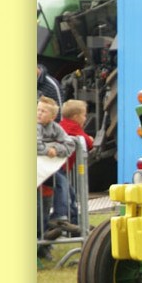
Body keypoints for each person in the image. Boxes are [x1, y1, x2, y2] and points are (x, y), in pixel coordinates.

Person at [37, 96, 79, 240]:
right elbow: (36, 145)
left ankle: (59, 217)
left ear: (53, 117)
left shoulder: (55, 128)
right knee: (37, 203)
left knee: (62, 183)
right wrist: (49, 149)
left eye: (43, 111)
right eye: (38, 110)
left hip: (46, 171)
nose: (39, 113)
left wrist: (55, 148)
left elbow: (70, 144)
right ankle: (40, 233)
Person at [59, 99, 94, 229]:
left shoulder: (62, 124)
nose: (85, 118)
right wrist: (89, 139)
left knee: (69, 194)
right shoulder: (72, 127)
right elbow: (87, 143)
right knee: (68, 195)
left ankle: (74, 223)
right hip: (59, 168)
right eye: (84, 115)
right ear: (75, 117)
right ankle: (72, 224)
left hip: (61, 168)